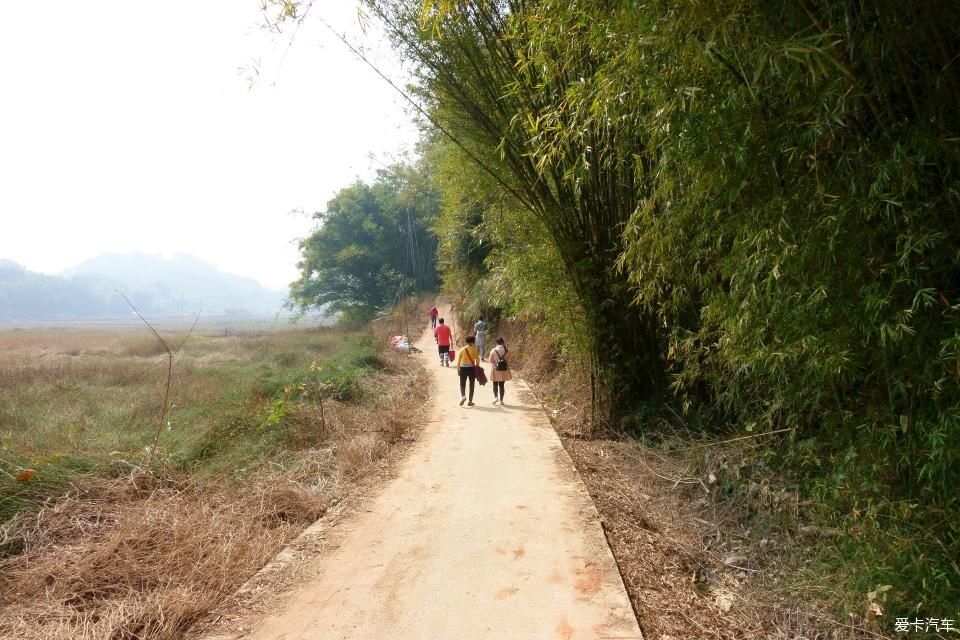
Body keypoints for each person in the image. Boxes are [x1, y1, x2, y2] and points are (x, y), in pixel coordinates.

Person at [455, 335, 481, 406]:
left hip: (463, 368)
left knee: (462, 384)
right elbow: (477, 359)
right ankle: (470, 401)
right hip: (471, 369)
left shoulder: (462, 349)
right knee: (471, 384)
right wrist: (477, 365)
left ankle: (463, 396)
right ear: (473, 342)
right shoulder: (475, 349)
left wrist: (458, 369)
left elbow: (459, 361)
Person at [489, 336, 512, 405]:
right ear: (503, 342)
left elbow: (490, 361)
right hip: (504, 370)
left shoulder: (493, 350)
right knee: (502, 385)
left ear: (496, 343)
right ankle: (501, 400)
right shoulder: (508, 351)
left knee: (495, 384)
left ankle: (496, 397)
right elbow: (508, 361)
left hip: (495, 370)